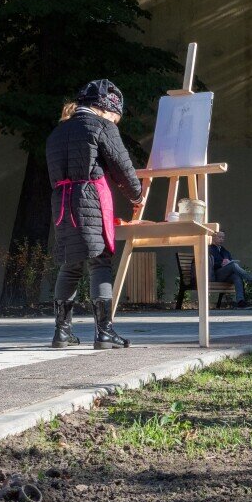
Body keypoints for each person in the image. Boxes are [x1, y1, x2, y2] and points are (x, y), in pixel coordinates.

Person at [46, 79, 144, 350]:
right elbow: (122, 167)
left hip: (62, 202)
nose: (116, 121)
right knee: (99, 261)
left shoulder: (57, 132)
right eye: (116, 116)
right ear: (106, 109)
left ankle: (62, 333)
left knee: (70, 263)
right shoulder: (101, 126)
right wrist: (137, 195)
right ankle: (104, 332)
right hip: (89, 198)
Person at [209, 230, 252, 309]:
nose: (221, 239)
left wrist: (228, 262)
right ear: (213, 237)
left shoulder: (224, 251)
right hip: (216, 274)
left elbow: (230, 261)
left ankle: (240, 302)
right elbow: (208, 263)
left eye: (223, 238)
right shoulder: (209, 249)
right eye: (219, 237)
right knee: (233, 265)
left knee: (236, 276)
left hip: (226, 275)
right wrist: (221, 264)